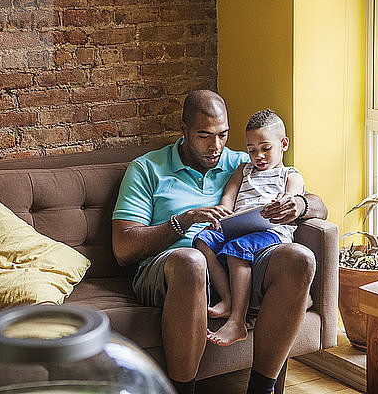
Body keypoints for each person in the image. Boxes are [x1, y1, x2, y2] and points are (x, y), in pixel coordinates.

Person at [112, 90, 327, 394]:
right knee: (191, 260)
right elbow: (123, 249)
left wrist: (301, 205)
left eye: (223, 135)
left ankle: (261, 389)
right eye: (204, 135)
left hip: (238, 262)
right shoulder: (146, 169)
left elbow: (320, 205)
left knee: (299, 258)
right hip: (172, 268)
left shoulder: (247, 162)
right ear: (183, 129)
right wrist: (184, 220)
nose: (216, 146)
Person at [194, 109, 305, 348]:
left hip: (271, 231)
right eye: (252, 150)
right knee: (202, 239)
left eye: (266, 148)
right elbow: (228, 198)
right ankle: (227, 299)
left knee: (237, 249)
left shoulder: (289, 174)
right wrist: (223, 214)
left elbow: (292, 199)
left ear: (283, 144)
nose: (259, 156)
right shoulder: (243, 171)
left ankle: (237, 321)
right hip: (239, 225)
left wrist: (284, 203)